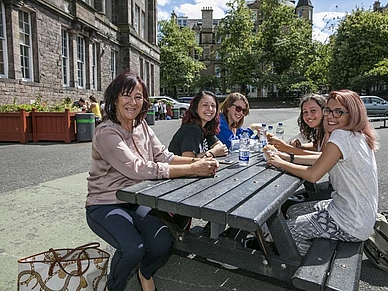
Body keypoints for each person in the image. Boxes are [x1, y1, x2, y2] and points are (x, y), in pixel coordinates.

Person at [86, 70, 219, 291]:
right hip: (105, 203)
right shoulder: (106, 132)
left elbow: (164, 157)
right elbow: (137, 169)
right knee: (133, 248)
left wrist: (198, 164)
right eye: (126, 95)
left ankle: (145, 272)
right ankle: (114, 287)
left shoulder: (142, 126)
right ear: (114, 98)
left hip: (138, 200)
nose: (133, 102)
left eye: (138, 96)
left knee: (162, 242)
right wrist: (192, 168)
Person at [266, 89, 378, 255]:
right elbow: (322, 159)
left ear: (353, 113)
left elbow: (313, 174)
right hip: (359, 214)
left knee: (283, 233)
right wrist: (288, 157)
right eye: (328, 110)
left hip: (350, 222)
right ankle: (316, 241)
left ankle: (308, 265)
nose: (330, 116)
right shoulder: (358, 136)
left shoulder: (340, 135)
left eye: (338, 112)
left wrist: (280, 162)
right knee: (293, 211)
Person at [267, 94, 333, 202]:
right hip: (334, 185)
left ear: (324, 111)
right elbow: (317, 146)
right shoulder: (322, 131)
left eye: (313, 111)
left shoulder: (333, 132)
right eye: (305, 112)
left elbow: (323, 157)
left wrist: (288, 151)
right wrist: (301, 146)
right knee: (288, 199)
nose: (308, 116)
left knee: (286, 204)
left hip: (342, 195)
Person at [168, 91, 228, 159]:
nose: (210, 109)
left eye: (213, 106)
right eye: (205, 105)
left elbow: (221, 148)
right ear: (196, 108)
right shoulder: (191, 129)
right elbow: (189, 160)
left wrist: (212, 152)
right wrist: (212, 153)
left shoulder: (205, 128)